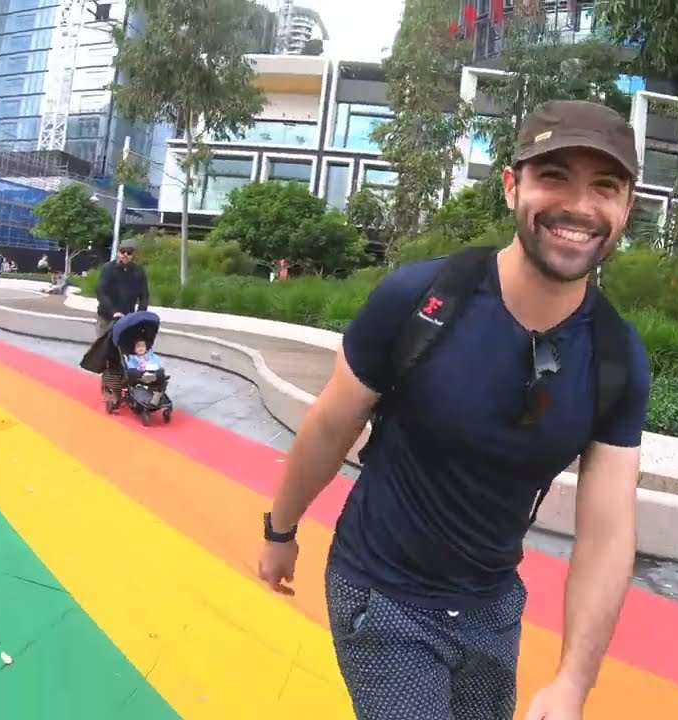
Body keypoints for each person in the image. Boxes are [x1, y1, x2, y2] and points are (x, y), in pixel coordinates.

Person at [256, 100, 652, 720]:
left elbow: (606, 532)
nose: (579, 206)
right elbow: (332, 424)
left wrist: (575, 681)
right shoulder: (421, 299)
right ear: (511, 186)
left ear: (626, 208)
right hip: (381, 591)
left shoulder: (616, 357)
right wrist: (280, 530)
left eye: (604, 187)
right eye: (553, 177)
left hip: (493, 607)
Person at [94, 238, 149, 338]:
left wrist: (139, 314)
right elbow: (101, 292)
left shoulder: (138, 271)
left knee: (123, 348)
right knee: (102, 348)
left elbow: (144, 295)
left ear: (133, 255)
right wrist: (113, 311)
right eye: (122, 251)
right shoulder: (108, 269)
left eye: (129, 253)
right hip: (106, 318)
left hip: (127, 319)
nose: (125, 255)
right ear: (118, 252)